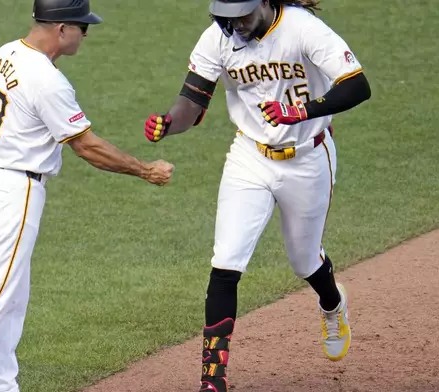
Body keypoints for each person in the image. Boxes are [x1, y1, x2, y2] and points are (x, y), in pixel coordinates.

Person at [0, 0, 174, 390]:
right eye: (82, 27)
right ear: (61, 29)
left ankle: (4, 384)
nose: (86, 34)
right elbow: (87, 147)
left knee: (11, 293)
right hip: (13, 193)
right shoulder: (47, 80)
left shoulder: (2, 53)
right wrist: (145, 170)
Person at [143, 0, 371, 390]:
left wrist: (302, 112)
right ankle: (212, 381)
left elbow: (357, 85)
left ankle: (333, 304)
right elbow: (193, 103)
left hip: (308, 157)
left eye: (242, 17)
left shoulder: (303, 29)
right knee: (225, 263)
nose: (235, 27)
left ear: (265, 2)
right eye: (226, 19)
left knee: (304, 261)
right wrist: (169, 123)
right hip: (249, 157)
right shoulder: (219, 38)